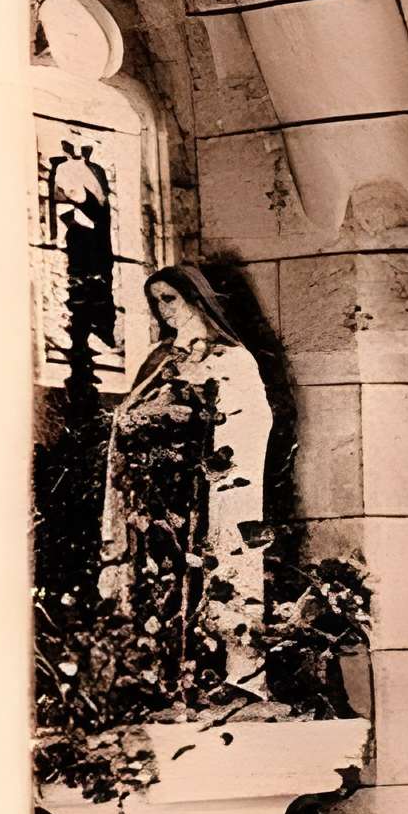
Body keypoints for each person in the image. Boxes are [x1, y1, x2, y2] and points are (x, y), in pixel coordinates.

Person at [103, 267, 271, 697]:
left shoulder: (232, 358)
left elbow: (253, 421)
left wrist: (213, 444)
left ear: (196, 298)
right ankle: (162, 673)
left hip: (212, 489)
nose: (163, 310)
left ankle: (232, 673)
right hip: (164, 493)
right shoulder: (162, 358)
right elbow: (131, 412)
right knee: (162, 578)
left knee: (218, 566)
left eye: (169, 299)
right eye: (156, 301)